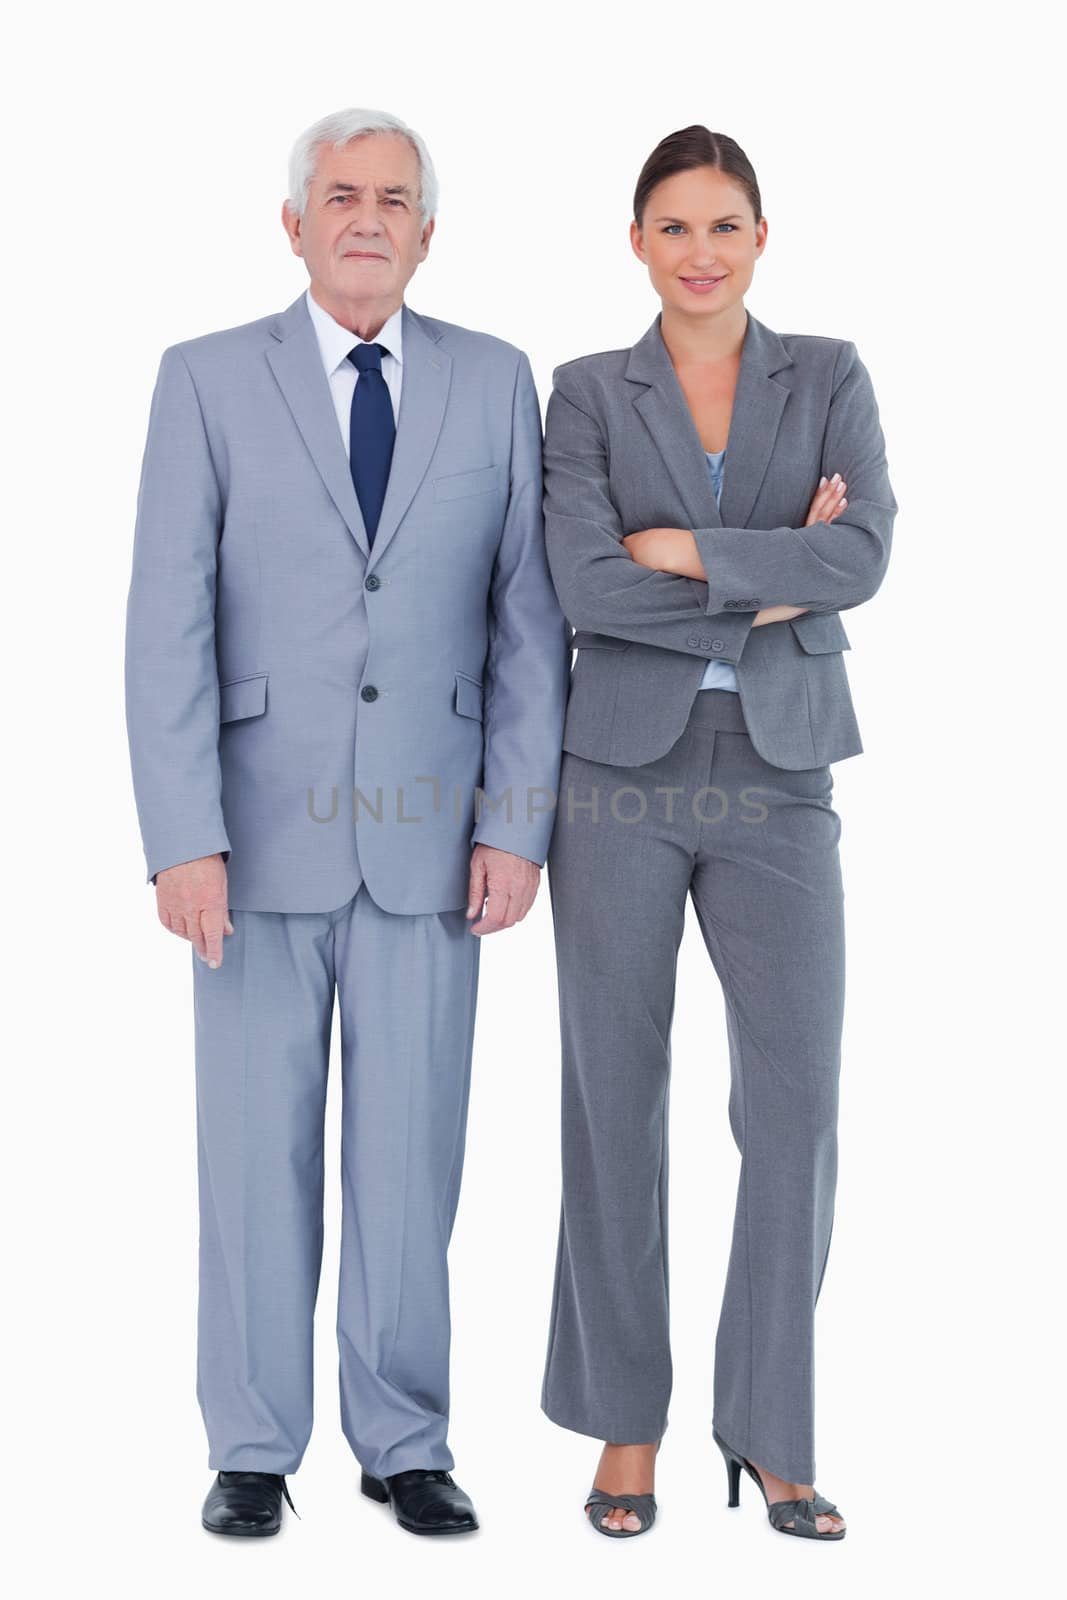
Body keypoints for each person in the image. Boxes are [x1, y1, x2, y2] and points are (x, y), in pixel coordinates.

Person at [124, 106, 569, 1538]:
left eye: (393, 198)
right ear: (294, 222)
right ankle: (252, 1445)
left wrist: (517, 821)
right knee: (256, 1151)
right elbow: (165, 623)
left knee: (410, 1153)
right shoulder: (203, 382)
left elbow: (527, 621)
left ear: (427, 232)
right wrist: (180, 833)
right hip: (253, 841)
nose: (366, 216)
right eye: (340, 194)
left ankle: (405, 1439)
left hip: (436, 841)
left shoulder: (498, 384)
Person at [540, 124, 897, 1540]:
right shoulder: (584, 394)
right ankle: (627, 1428)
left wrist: (681, 551)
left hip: (781, 770)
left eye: (725, 227)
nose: (700, 253)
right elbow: (579, 584)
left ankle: (773, 1429)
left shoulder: (834, 377)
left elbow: (864, 557)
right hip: (616, 774)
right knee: (611, 1097)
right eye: (674, 228)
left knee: (795, 1106)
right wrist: (773, 574)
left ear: (762, 240)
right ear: (638, 242)